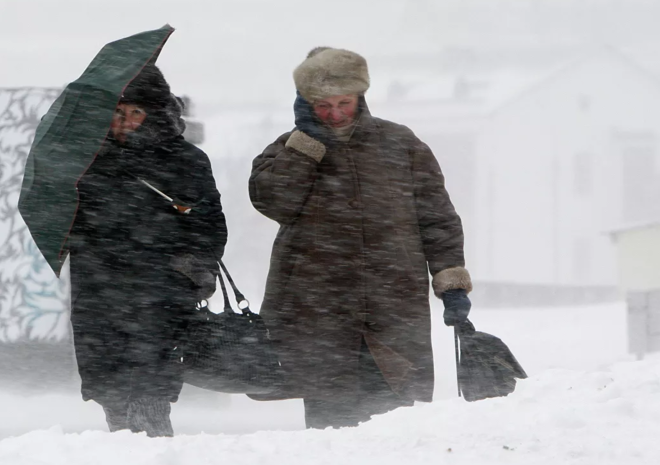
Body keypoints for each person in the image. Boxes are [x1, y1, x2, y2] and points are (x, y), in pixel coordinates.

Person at [249, 47, 473, 429]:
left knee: (395, 424)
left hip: (393, 308)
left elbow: (437, 218)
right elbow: (275, 202)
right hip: (319, 312)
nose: (334, 114)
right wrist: (306, 144)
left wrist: (451, 285)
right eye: (322, 105)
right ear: (304, 104)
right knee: (331, 427)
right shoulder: (289, 149)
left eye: (344, 102)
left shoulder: (401, 145)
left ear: (360, 97)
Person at [68, 65, 227, 437]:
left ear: (154, 112)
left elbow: (211, 226)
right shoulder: (85, 162)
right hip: (98, 293)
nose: (125, 122)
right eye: (118, 113)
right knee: (112, 397)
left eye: (135, 113)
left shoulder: (185, 160)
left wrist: (189, 267)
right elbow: (68, 223)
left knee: (149, 397)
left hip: (160, 294)